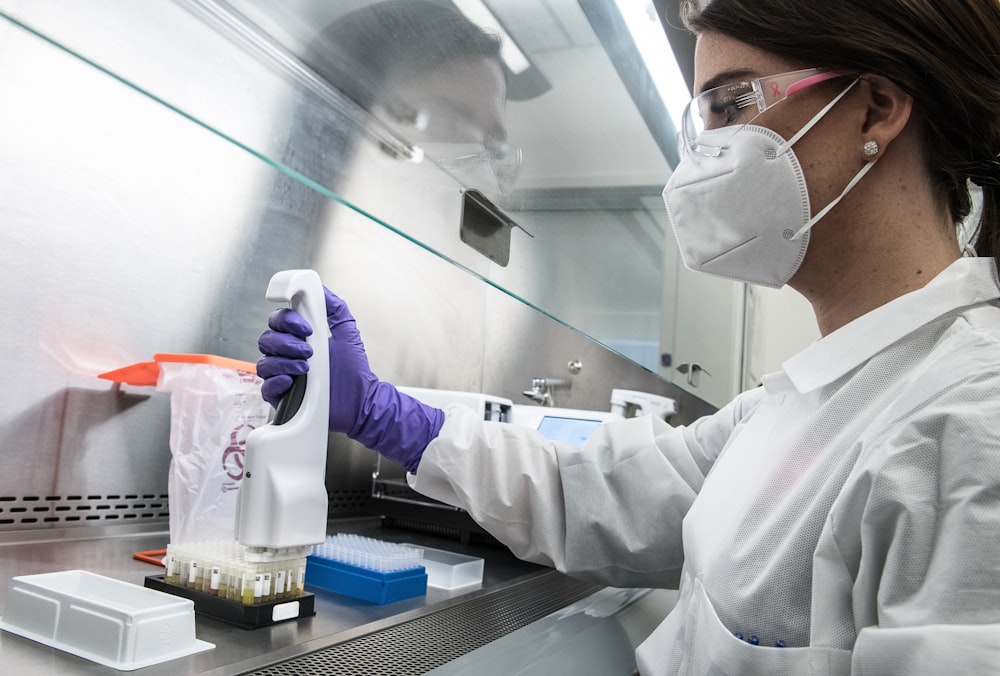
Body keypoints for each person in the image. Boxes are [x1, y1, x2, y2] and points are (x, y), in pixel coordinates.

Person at [257, 0, 1000, 673]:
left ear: (876, 108)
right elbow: (597, 496)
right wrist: (393, 419)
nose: (704, 153)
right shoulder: (799, 404)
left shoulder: (967, 419)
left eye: (731, 102)